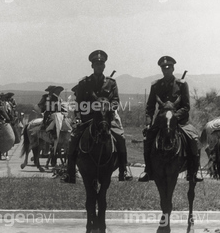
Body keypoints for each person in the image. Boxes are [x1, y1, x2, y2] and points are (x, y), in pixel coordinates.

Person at [62, 50, 131, 183]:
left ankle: (124, 170)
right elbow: (79, 102)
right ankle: (70, 173)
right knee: (73, 139)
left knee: (120, 138)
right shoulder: (84, 83)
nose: (99, 66)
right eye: (96, 64)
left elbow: (116, 100)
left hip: (106, 119)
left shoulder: (111, 83)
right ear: (92, 66)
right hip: (88, 119)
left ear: (104, 66)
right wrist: (81, 115)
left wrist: (107, 107)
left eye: (101, 64)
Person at [138, 56, 203, 182]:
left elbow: (186, 106)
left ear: (173, 69)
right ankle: (148, 170)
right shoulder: (156, 85)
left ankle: (192, 171)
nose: (166, 71)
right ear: (161, 70)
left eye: (168, 68)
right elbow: (150, 107)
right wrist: (148, 123)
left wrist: (175, 117)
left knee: (193, 139)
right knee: (148, 139)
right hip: (161, 121)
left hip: (180, 121)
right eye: (164, 68)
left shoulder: (182, 84)